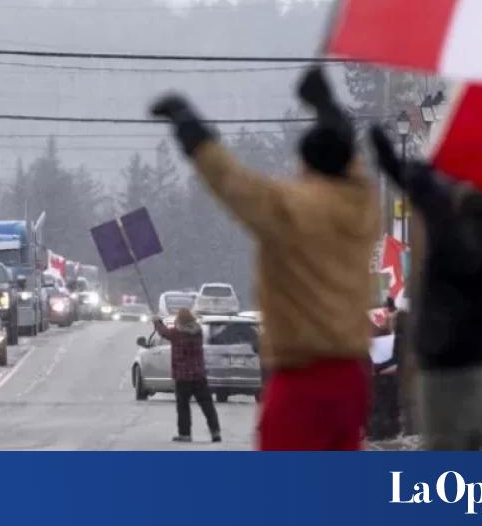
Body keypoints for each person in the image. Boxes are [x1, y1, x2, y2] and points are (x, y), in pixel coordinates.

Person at [150, 68, 379, 451]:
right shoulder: (362, 205)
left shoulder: (287, 209)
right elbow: (346, 162)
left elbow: (232, 183)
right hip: (349, 375)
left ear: (305, 163)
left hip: (299, 374)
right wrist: (328, 108)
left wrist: (192, 131)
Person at [369, 126, 482, 450]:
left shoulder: (447, 225)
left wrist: (386, 150)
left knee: (442, 443)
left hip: (441, 356)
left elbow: (419, 186)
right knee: (473, 438)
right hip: (481, 356)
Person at [152, 308, 221, 443]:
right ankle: (215, 432)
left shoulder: (177, 334)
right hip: (199, 376)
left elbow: (164, 332)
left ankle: (185, 434)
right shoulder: (198, 332)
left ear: (180, 320)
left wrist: (157, 321)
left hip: (182, 377)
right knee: (207, 405)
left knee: (183, 406)